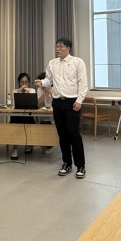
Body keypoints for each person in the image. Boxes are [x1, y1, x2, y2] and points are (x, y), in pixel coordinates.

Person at [36, 37, 88, 178]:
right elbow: (49, 80)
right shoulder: (52, 63)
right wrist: (41, 82)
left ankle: (80, 165)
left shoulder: (77, 62)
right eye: (56, 46)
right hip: (57, 102)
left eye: (60, 46)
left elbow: (83, 83)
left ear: (68, 48)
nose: (57, 49)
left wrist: (79, 100)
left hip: (72, 103)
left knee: (74, 134)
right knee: (62, 135)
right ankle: (67, 163)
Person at [10, 72, 36, 159]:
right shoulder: (15, 91)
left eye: (26, 82)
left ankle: (29, 144)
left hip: (28, 115)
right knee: (14, 125)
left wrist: (27, 92)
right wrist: (19, 92)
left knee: (31, 124)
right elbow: (14, 105)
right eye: (22, 82)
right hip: (17, 115)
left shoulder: (32, 90)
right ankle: (15, 148)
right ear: (19, 83)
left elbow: (33, 104)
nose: (24, 84)